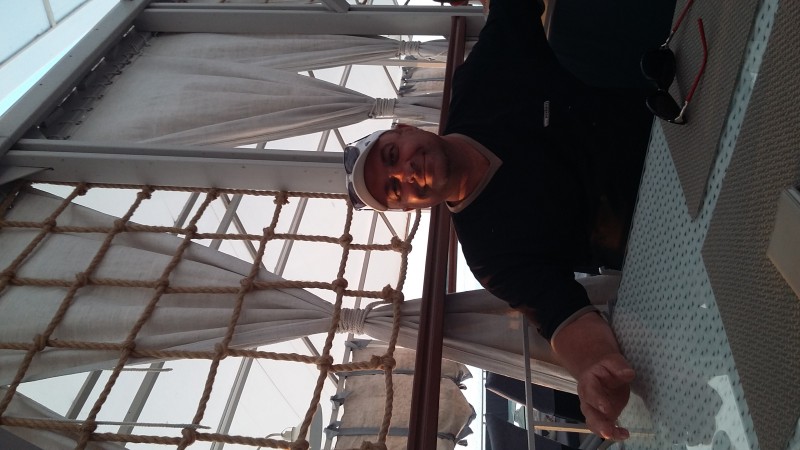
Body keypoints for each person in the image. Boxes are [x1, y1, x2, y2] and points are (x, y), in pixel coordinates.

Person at [343, 0, 656, 441]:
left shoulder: (481, 83)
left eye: (392, 155)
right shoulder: (490, 254)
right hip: (661, 225)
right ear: (411, 208)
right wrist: (593, 365)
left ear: (405, 130)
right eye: (395, 189)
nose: (406, 172)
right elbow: (561, 314)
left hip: (672, 122)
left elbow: (513, 9)